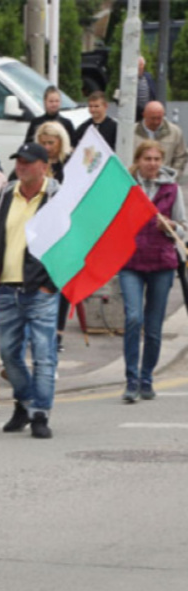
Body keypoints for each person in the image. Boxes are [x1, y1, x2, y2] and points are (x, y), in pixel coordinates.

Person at [0, 142, 61, 439]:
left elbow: (68, 244)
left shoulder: (56, 197)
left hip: (40, 289)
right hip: (6, 287)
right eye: (18, 160)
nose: (21, 166)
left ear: (44, 166)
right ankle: (25, 402)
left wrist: (50, 284)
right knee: (9, 354)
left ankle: (40, 413)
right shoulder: (6, 193)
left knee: (44, 356)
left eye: (28, 162)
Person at [120, 140, 187, 402]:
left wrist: (171, 226)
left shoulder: (171, 189)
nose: (152, 164)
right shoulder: (128, 188)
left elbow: (183, 227)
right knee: (133, 318)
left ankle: (146, 377)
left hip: (161, 262)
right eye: (147, 159)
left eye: (156, 159)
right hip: (131, 263)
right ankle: (130, 379)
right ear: (138, 160)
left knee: (154, 327)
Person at [135, 101, 188, 177]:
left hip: (165, 181)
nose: (156, 122)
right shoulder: (131, 132)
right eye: (153, 118)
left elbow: (181, 157)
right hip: (136, 180)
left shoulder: (175, 132)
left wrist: (173, 177)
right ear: (144, 115)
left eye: (159, 118)